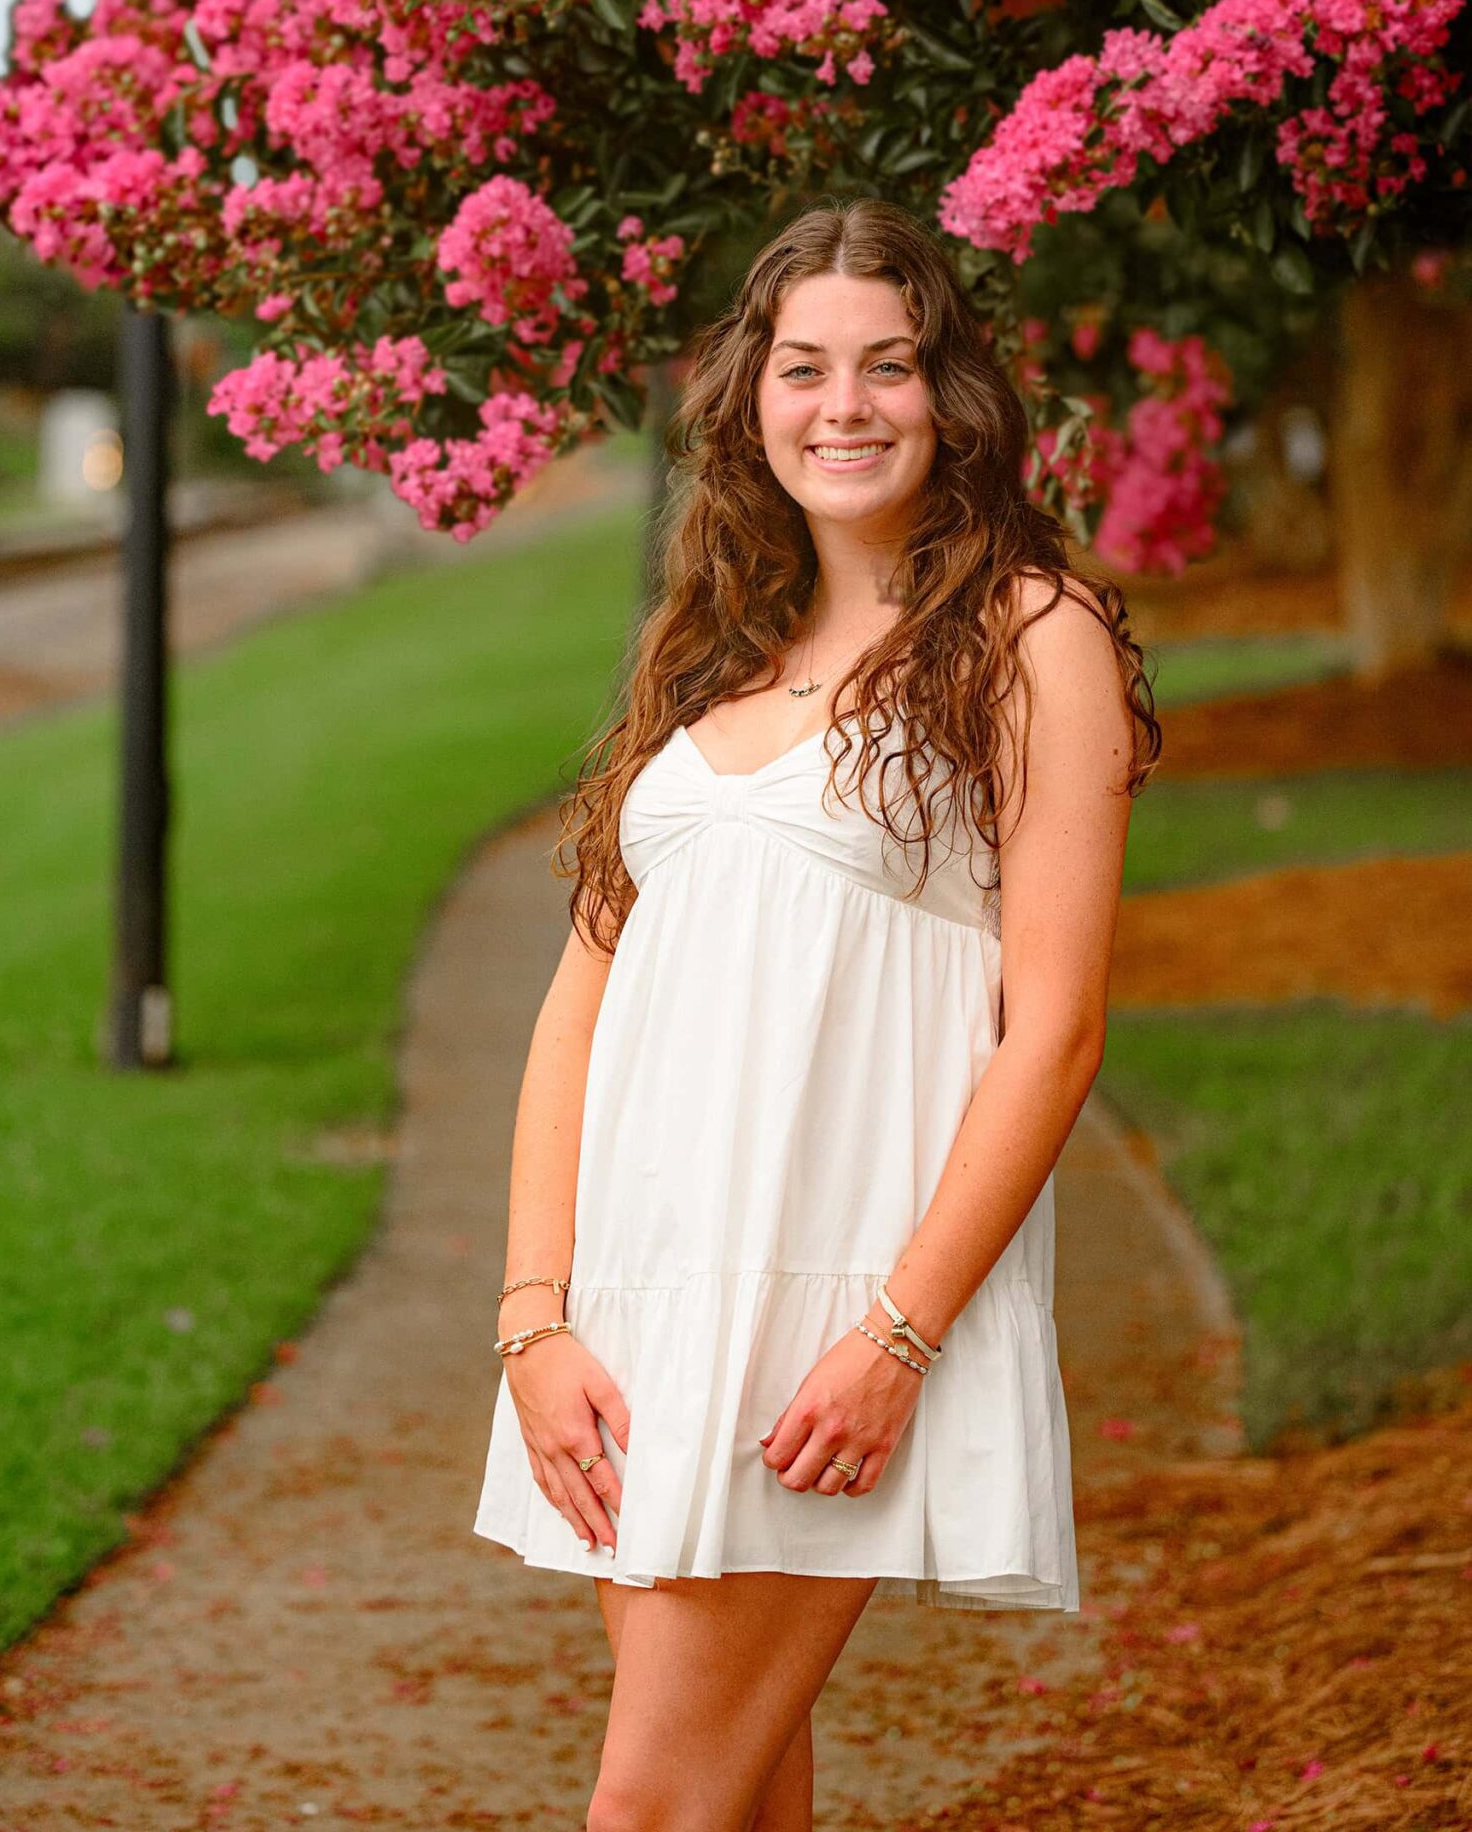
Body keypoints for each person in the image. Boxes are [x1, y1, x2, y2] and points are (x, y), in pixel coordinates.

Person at [472, 196, 1159, 1831]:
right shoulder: (706, 648)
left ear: (954, 398)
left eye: (889, 364)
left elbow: (1053, 1031)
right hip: (637, 1325)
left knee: (649, 1810)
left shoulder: (1025, 637)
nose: (843, 405)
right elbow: (582, 999)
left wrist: (898, 1338)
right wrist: (534, 1320)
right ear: (749, 398)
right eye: (803, 367)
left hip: (836, 1318)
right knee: (736, 1799)